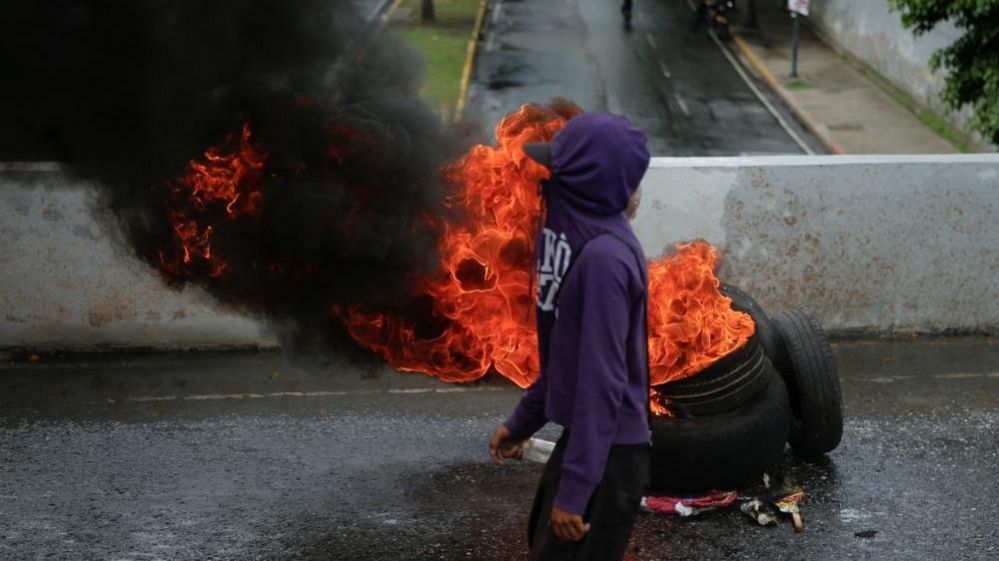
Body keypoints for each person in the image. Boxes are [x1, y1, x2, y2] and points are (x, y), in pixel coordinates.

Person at [488, 113, 652, 561]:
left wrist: (577, 492)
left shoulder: (603, 260)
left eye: (556, 171)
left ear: (584, 181)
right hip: (590, 440)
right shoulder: (575, 243)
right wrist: (521, 422)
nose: (546, 180)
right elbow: (564, 356)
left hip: (610, 453)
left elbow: (601, 383)